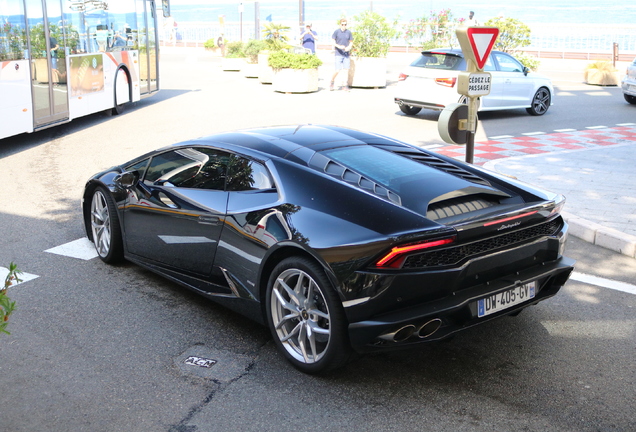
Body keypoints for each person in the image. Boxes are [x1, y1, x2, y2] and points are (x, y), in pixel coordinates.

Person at [330, 18, 353, 91]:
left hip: (346, 54)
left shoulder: (348, 32)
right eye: (342, 24)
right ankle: (332, 81)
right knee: (337, 70)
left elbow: (351, 42)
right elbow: (333, 42)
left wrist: (349, 47)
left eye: (345, 24)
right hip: (338, 53)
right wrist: (339, 46)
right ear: (340, 25)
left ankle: (344, 85)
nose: (344, 26)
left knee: (346, 70)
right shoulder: (337, 32)